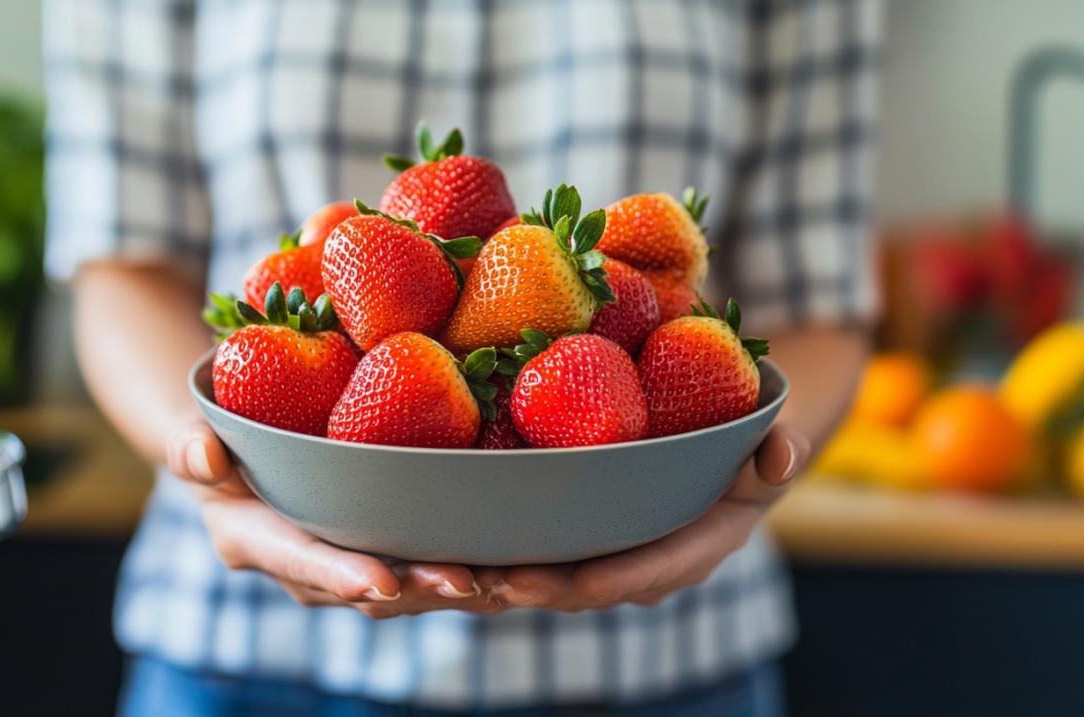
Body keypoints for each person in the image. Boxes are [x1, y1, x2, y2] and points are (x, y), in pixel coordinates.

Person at [44, 0, 877, 714]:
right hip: (241, 649)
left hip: (671, 662)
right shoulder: (367, 280)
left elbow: (819, 303)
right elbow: (122, 265)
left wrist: (736, 477)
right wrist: (210, 461)